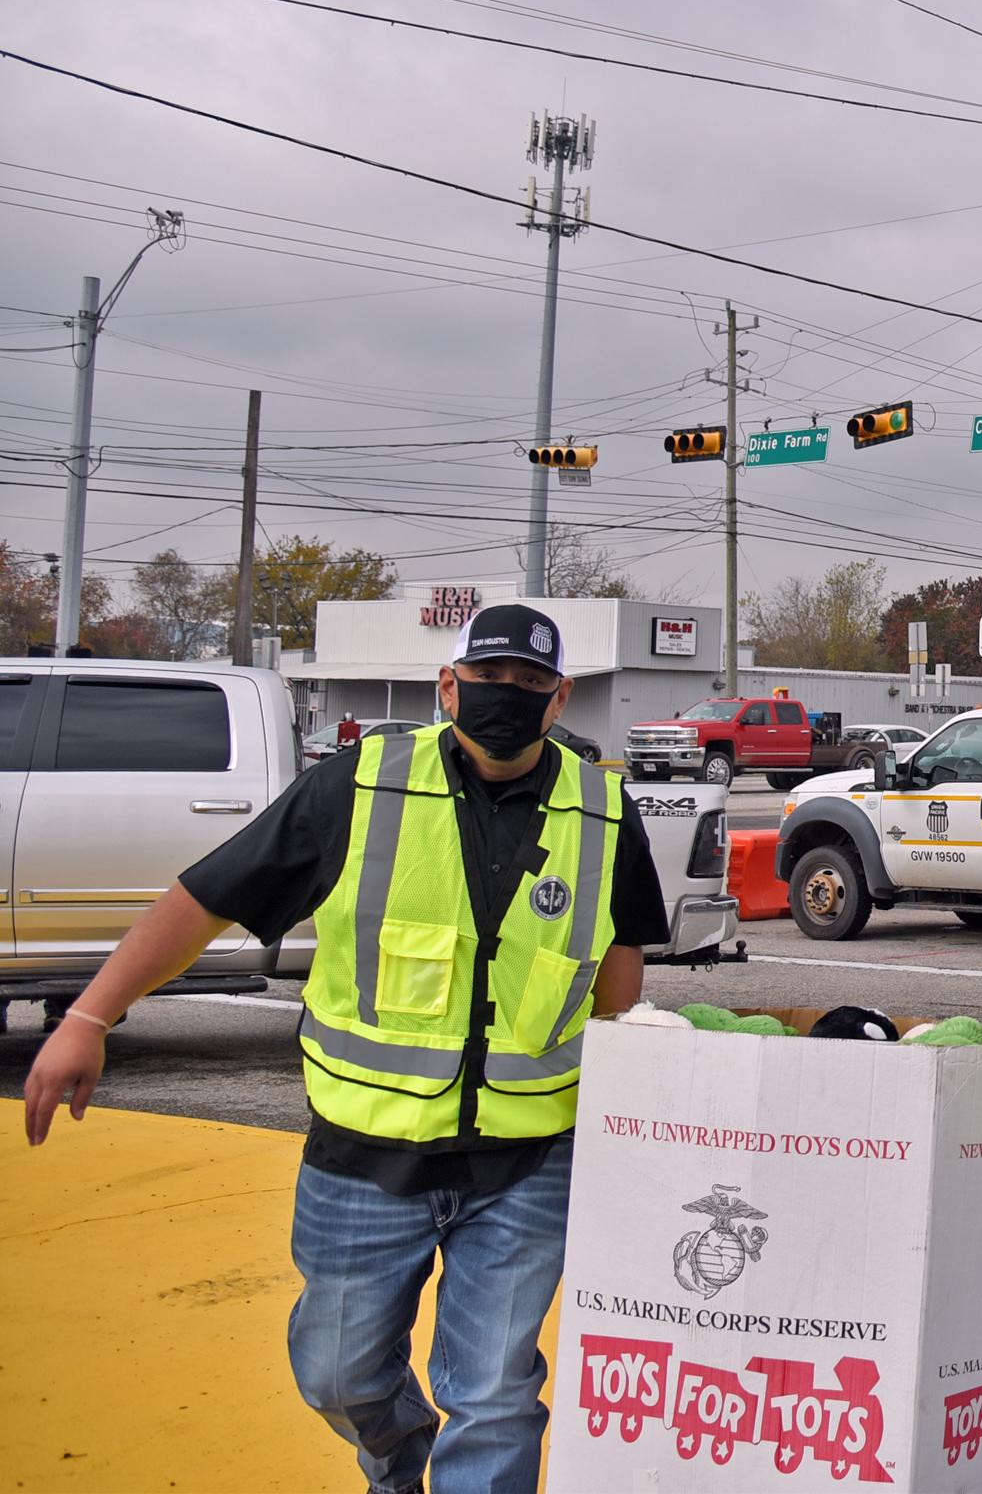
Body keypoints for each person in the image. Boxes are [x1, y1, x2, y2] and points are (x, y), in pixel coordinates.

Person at [20, 603, 666, 1494]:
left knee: (494, 1397)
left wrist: (623, 1094)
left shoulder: (601, 809)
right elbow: (205, 898)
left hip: (525, 1163)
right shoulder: (359, 785)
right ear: (449, 687)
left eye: (530, 685)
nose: (506, 698)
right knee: (336, 1373)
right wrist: (88, 1020)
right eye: (488, 679)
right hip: (363, 1158)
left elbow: (621, 949)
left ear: (558, 703)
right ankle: (398, 1457)